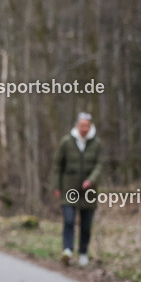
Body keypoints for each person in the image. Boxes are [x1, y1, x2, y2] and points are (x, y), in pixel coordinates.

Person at [50, 112, 103, 267]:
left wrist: (91, 180)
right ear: (76, 125)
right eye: (82, 125)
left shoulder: (97, 143)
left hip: (89, 190)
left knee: (86, 224)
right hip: (69, 187)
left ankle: (83, 253)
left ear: (90, 126)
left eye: (87, 125)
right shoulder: (66, 142)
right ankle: (67, 250)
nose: (84, 128)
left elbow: (100, 165)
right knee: (69, 220)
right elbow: (57, 165)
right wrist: (57, 186)